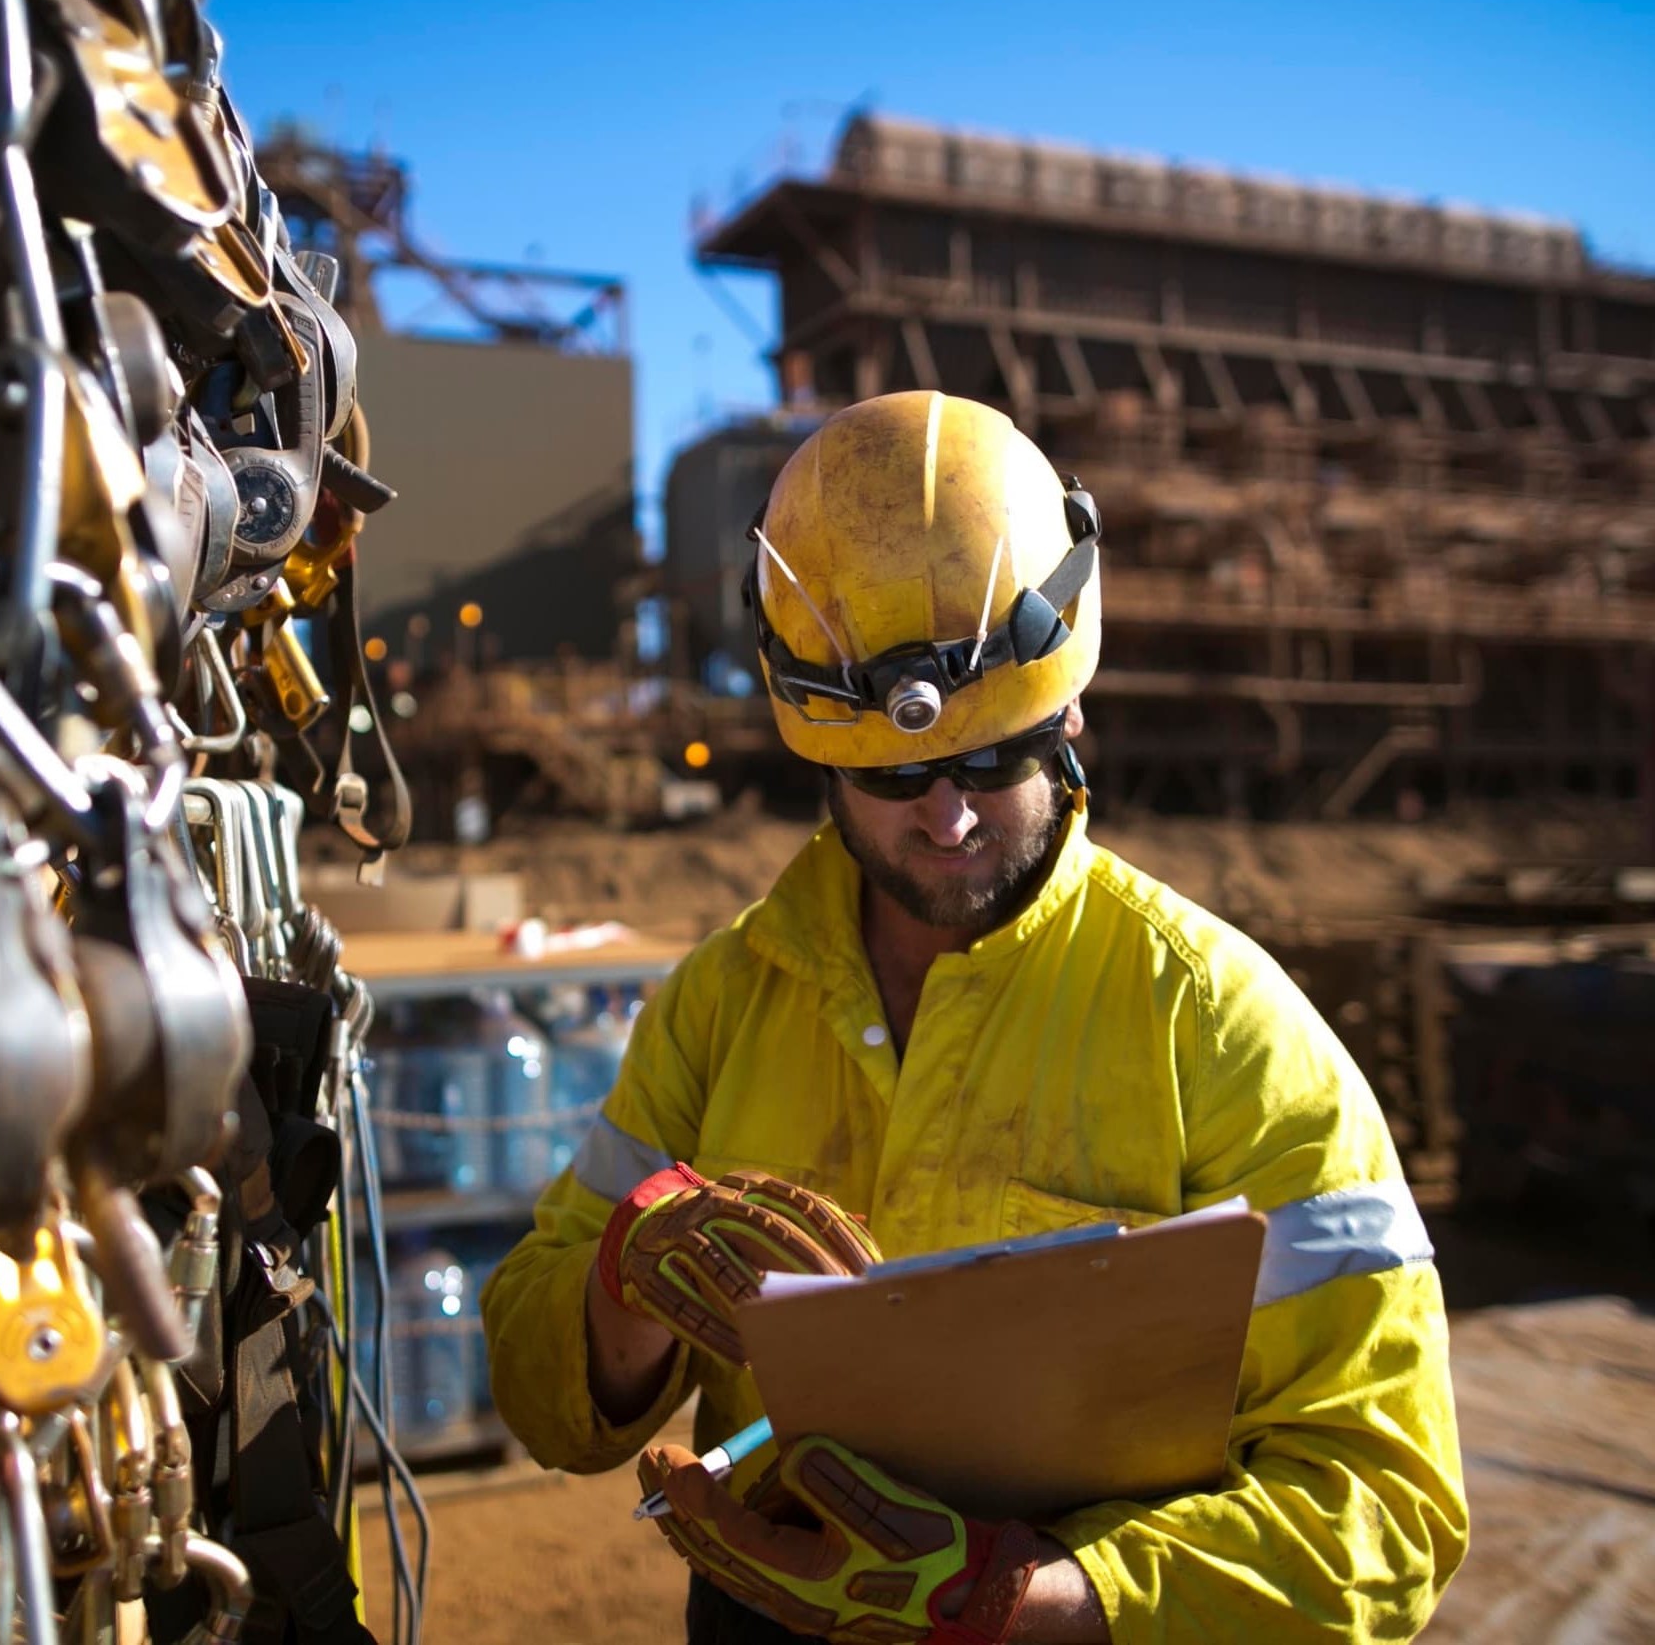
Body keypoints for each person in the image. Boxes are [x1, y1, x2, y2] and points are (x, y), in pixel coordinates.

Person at [479, 391, 1467, 1644]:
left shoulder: (1217, 1025)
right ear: (813, 752)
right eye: (892, 775)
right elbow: (542, 1399)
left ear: (1070, 715)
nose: (944, 815)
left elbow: (1386, 1502)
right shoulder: (721, 1003)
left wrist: (1020, 1600)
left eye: (992, 757)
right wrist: (622, 1284)